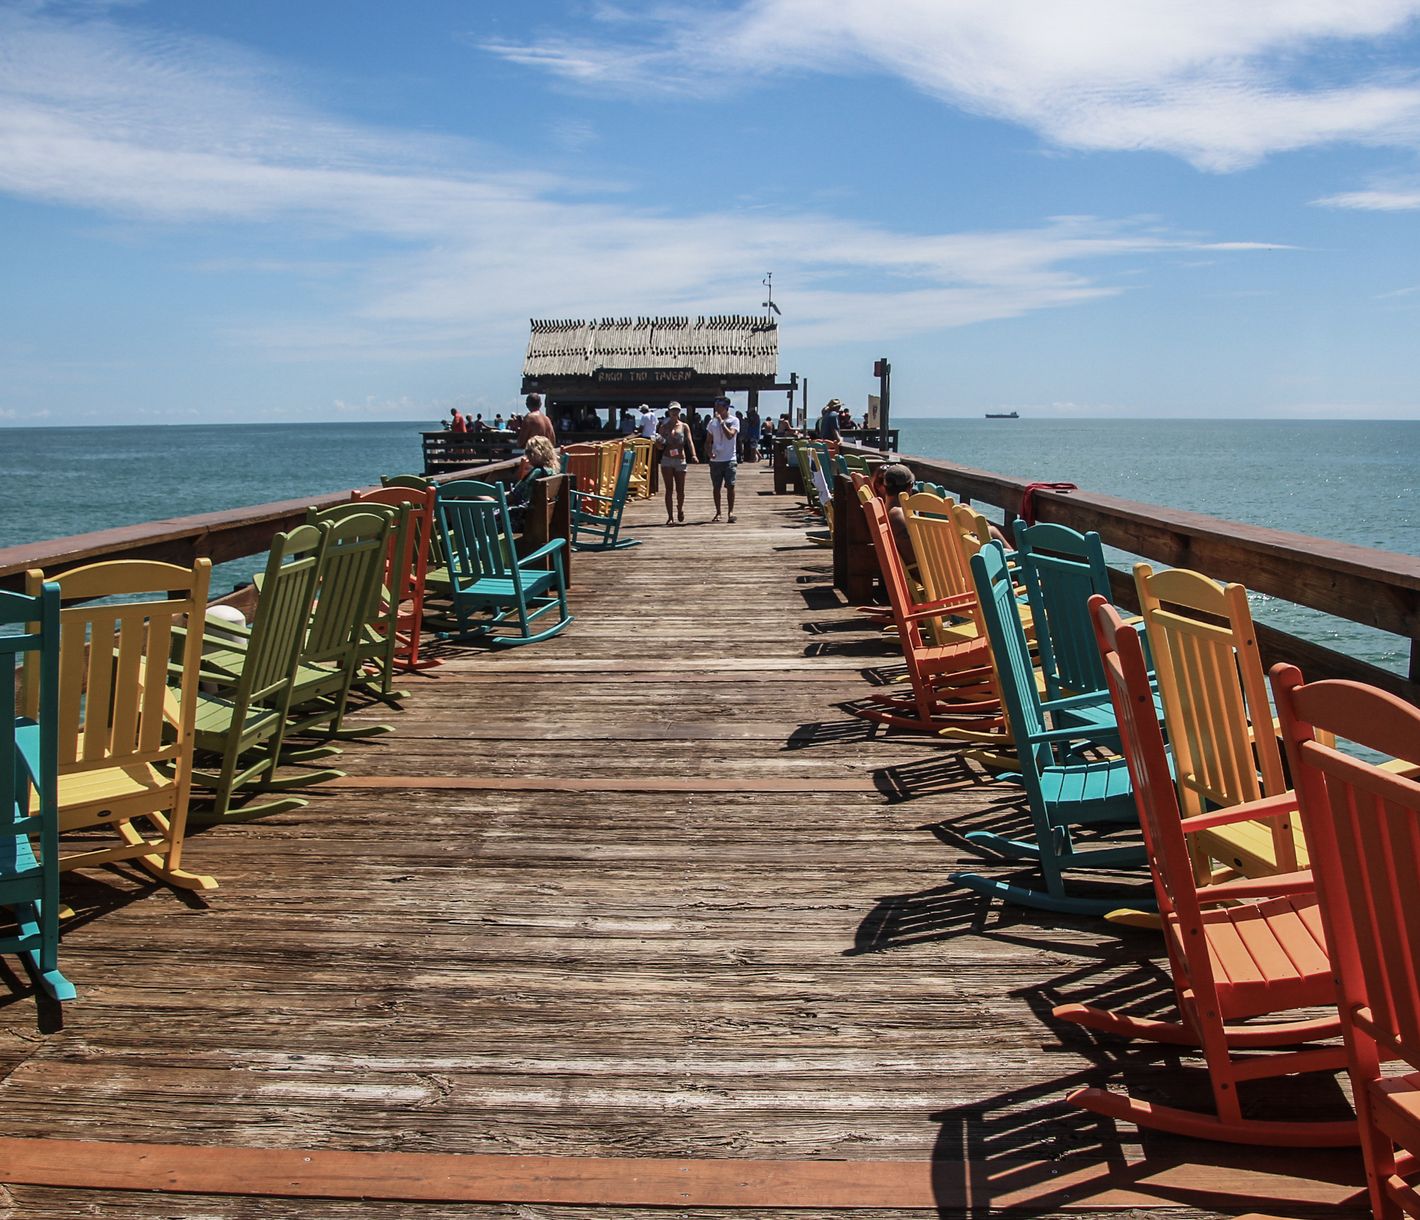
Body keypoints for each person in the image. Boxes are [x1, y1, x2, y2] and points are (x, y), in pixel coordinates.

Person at [506, 435, 559, 530]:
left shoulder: (537, 473)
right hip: (537, 517)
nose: (527, 455)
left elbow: (514, 497)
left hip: (521, 520)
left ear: (538, 453)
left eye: (529, 452)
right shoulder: (550, 472)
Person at [657, 402, 695, 525]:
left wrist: (693, 454)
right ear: (669, 411)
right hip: (667, 459)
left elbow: (689, 441)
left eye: (677, 410)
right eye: (672, 410)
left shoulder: (684, 426)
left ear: (679, 412)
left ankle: (680, 509)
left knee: (680, 490)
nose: (674, 413)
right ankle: (670, 516)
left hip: (680, 459)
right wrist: (657, 442)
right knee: (669, 489)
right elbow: (659, 446)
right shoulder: (663, 426)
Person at [704, 396, 740, 523]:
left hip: (730, 458)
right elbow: (708, 441)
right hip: (716, 460)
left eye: (719, 406)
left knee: (730, 485)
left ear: (726, 408)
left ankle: (731, 511)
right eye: (715, 406)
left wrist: (721, 422)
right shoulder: (711, 423)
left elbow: (730, 435)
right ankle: (718, 512)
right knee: (716, 487)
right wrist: (709, 453)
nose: (716, 409)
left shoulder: (734, 420)